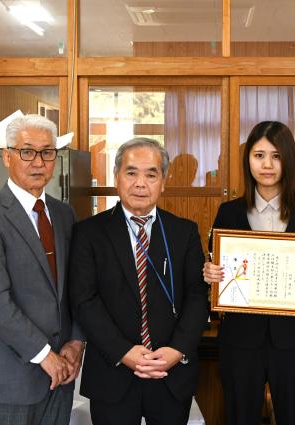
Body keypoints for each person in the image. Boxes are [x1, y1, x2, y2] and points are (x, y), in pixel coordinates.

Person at [203, 121, 295, 425]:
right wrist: (210, 273)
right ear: (248, 160)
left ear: (289, 160)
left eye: (276, 156)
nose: (267, 165)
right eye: (259, 155)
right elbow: (218, 268)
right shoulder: (229, 212)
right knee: (240, 418)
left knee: (294, 418)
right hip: (241, 340)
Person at [68, 137, 209, 425]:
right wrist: (124, 352)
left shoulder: (183, 232)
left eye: (151, 174)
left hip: (170, 373)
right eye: (131, 173)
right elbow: (84, 300)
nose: (140, 184)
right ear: (116, 177)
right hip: (113, 374)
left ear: (163, 182)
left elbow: (197, 296)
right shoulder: (89, 232)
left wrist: (176, 350)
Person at [0, 114, 85, 425]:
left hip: (63, 373)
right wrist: (44, 355)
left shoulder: (64, 214)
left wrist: (76, 342)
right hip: (13, 377)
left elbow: (77, 287)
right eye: (27, 151)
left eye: (47, 152)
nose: (38, 162)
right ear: (7, 157)